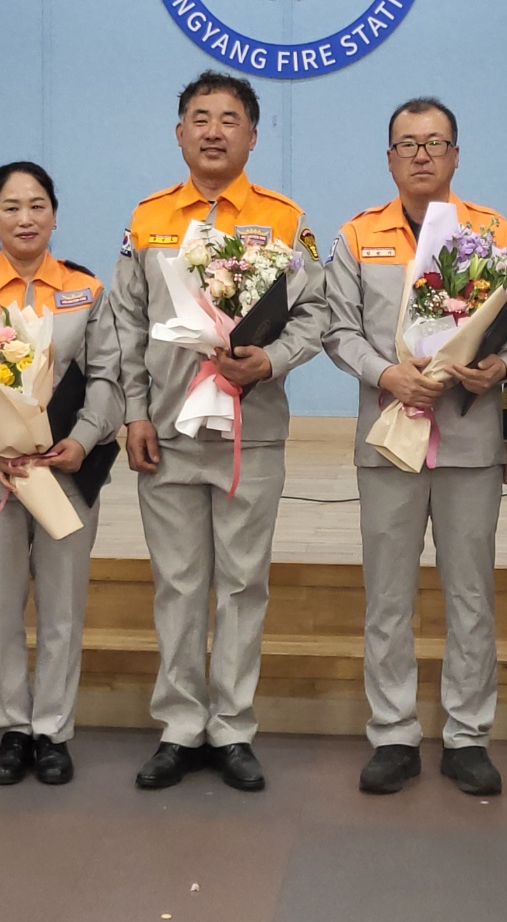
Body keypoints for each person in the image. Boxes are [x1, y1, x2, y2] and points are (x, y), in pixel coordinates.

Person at [109, 70, 327, 792]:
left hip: (248, 433)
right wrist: (134, 413)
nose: (213, 131)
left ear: (252, 136)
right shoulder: (148, 219)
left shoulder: (284, 219)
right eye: (199, 118)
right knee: (177, 585)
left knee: (241, 585)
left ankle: (231, 727)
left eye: (229, 119)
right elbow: (124, 325)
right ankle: (179, 725)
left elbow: (317, 313)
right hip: (167, 433)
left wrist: (273, 359)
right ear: (179, 133)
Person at [323, 97, 507, 796]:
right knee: (387, 594)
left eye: (435, 142)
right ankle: (392, 734)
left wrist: (501, 366)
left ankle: (467, 735)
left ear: (456, 154)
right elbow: (337, 329)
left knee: (470, 592)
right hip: (390, 438)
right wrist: (387, 373)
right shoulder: (358, 235)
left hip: (470, 439)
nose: (421, 155)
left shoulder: (494, 232)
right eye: (407, 144)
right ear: (390, 158)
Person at [0, 162, 122, 787]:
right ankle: (12, 728)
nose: (25, 218)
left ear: (55, 215)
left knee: (63, 608)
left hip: (66, 472)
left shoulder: (85, 290)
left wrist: (83, 440)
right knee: (0, 607)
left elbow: (108, 376)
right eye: (11, 207)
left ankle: (53, 731)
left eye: (38, 205)